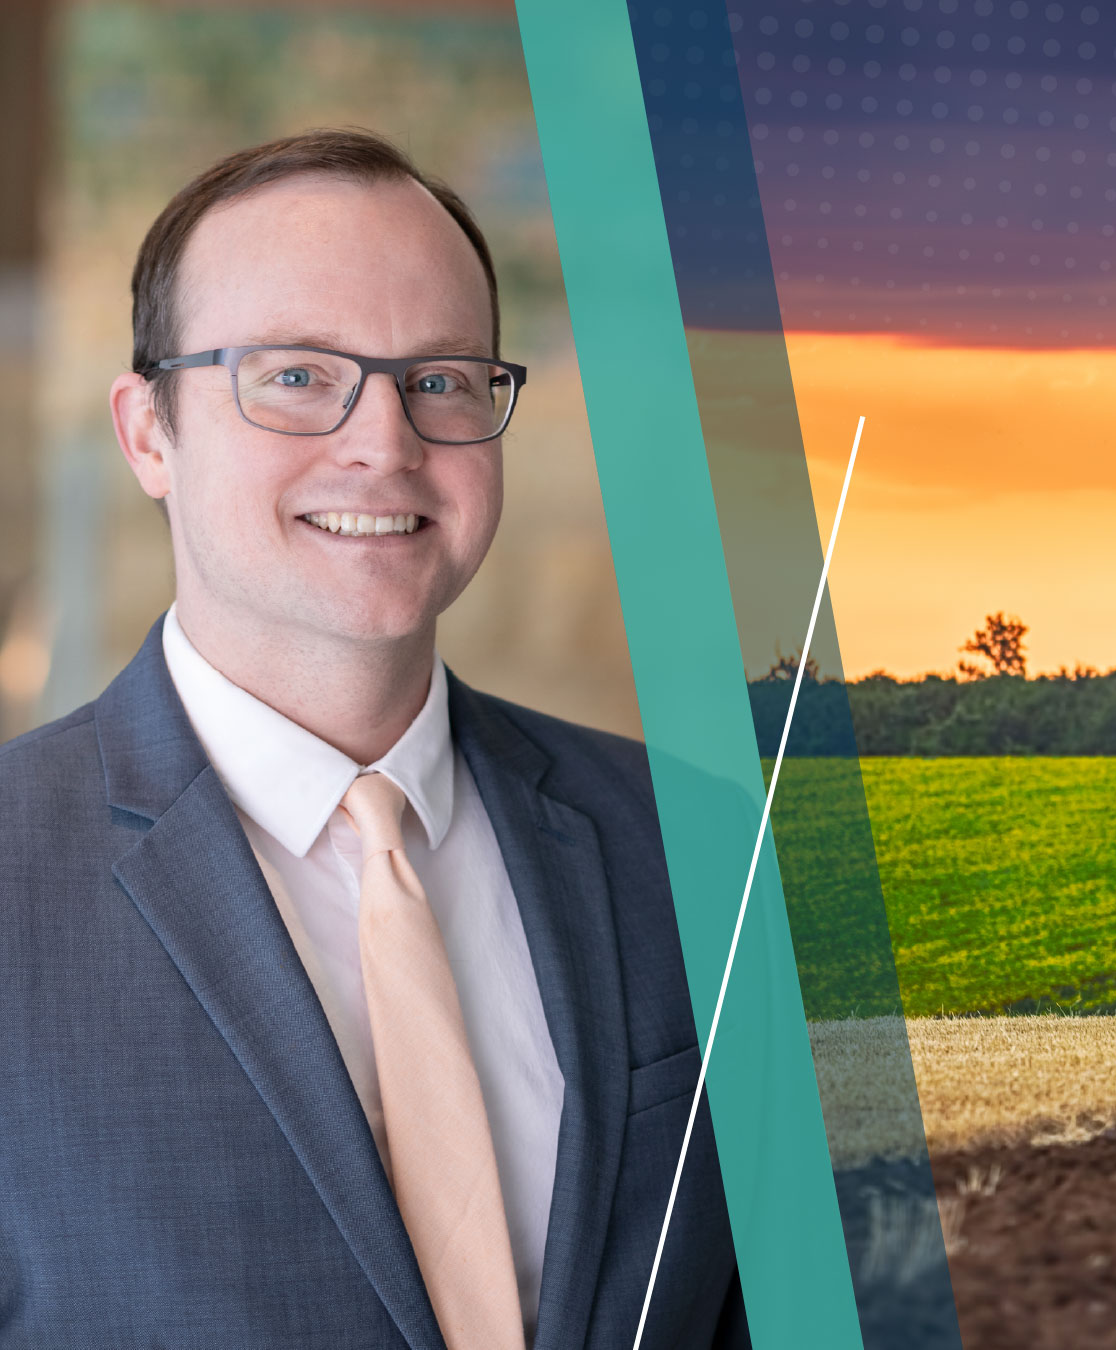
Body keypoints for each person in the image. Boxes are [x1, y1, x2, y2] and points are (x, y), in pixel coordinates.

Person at [0, 130, 746, 1348]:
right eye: (296, 376)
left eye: (443, 378)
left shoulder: (703, 850)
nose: (385, 444)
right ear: (148, 433)